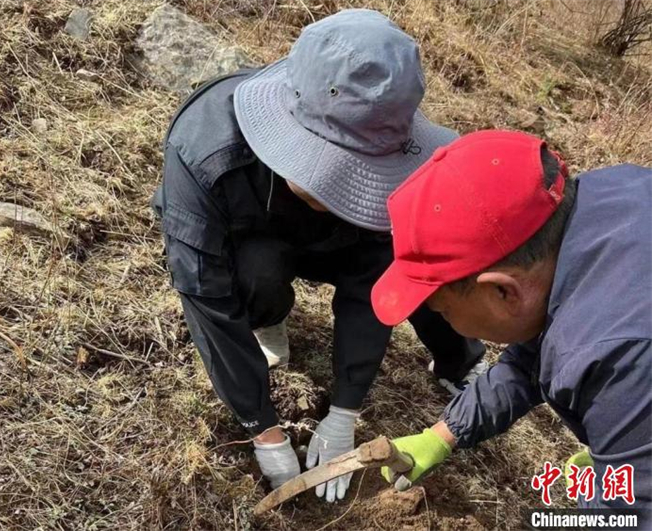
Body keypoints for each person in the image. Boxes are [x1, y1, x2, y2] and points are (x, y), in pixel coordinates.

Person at [152, 9, 486, 503]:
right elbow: (206, 294)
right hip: (258, 241)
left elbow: (374, 285)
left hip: (345, 248)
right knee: (253, 277)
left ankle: (458, 362)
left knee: (420, 256)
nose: (348, 192)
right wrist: (261, 427)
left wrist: (346, 409)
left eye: (366, 173)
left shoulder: (384, 130)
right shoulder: (204, 150)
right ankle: (268, 319)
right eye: (336, 173)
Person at [372, 130, 651, 518]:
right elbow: (532, 357)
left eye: (444, 311)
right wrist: (443, 434)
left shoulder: (617, 355)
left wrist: (609, 488)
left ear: (503, 292)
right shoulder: (608, 196)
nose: (446, 324)